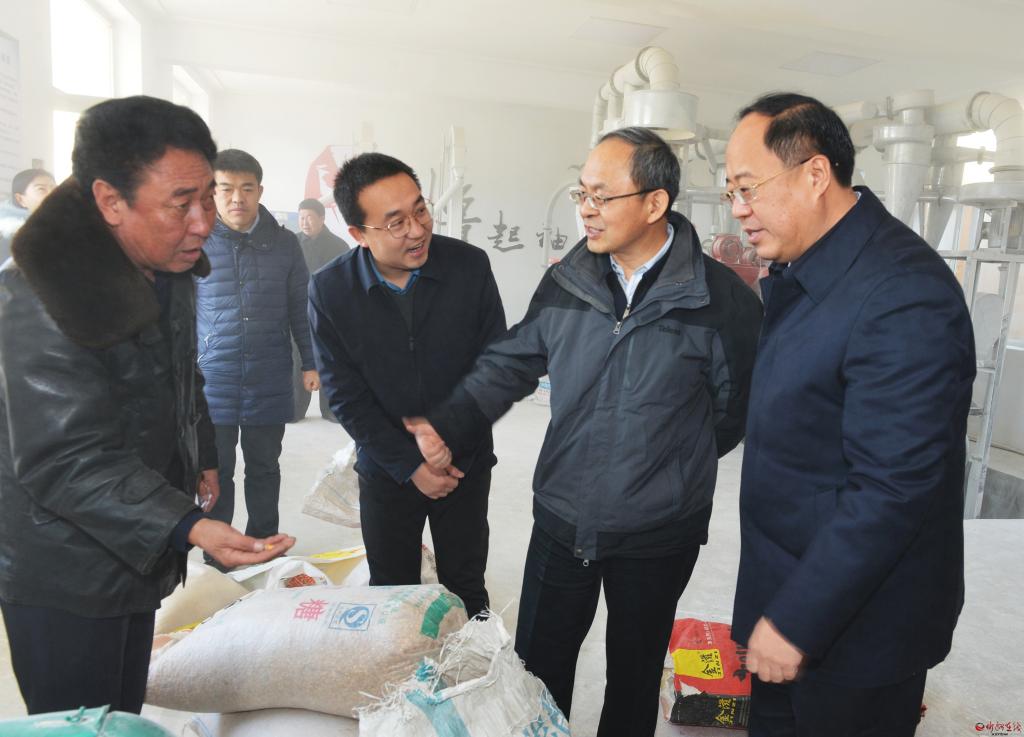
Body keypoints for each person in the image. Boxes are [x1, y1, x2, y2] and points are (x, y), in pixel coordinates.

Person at [406, 126, 763, 737]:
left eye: (602, 196)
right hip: (563, 513)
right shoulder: (567, 279)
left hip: (658, 529)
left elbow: (734, 412)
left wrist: (669, 462)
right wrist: (450, 423)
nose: (587, 210)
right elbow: (512, 362)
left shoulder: (721, 301)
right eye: (582, 194)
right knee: (538, 671)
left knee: (634, 672)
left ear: (654, 203)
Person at [0, 95, 294, 715]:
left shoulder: (163, 261)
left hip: (136, 539)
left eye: (208, 198)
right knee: (82, 721)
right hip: (65, 567)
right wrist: (186, 524)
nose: (204, 223)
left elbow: (182, 375)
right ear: (111, 201)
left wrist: (201, 456)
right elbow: (65, 460)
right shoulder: (39, 298)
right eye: (182, 204)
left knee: (124, 708)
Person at [723, 92, 975, 736]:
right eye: (731, 192)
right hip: (788, 595)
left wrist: (797, 620)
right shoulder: (808, 272)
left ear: (815, 174)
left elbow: (894, 486)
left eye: (748, 188)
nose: (738, 209)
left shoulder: (902, 292)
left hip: (855, 631)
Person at [308, 152, 506, 619]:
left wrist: (447, 440)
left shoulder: (469, 267)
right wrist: (410, 464)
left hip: (464, 462)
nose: (417, 230)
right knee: (391, 594)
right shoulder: (331, 290)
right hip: (388, 468)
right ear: (358, 233)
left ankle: (472, 661)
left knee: (466, 586)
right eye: (396, 223)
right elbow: (343, 394)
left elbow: (497, 365)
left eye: (420, 210)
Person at [196, 149, 318, 555]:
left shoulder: (285, 244)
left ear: (260, 191)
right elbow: (179, 315)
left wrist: (311, 363)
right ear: (212, 193)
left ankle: (264, 545)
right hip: (212, 379)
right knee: (217, 471)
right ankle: (220, 551)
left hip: (269, 374)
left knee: (264, 467)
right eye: (226, 189)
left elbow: (300, 308)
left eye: (246, 189)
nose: (237, 198)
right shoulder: (195, 242)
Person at [292, 197, 349, 422]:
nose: (305, 222)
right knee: (297, 358)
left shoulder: (338, 246)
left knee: (329, 358)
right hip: (298, 310)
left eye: (309, 217)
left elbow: (346, 281)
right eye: (301, 218)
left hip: (328, 312)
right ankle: (295, 407)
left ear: (322, 219)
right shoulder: (292, 244)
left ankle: (331, 408)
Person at [1, 168, 56, 262]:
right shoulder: (8, 237)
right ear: (20, 199)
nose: (52, 194)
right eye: (41, 189)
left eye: (55, 189)